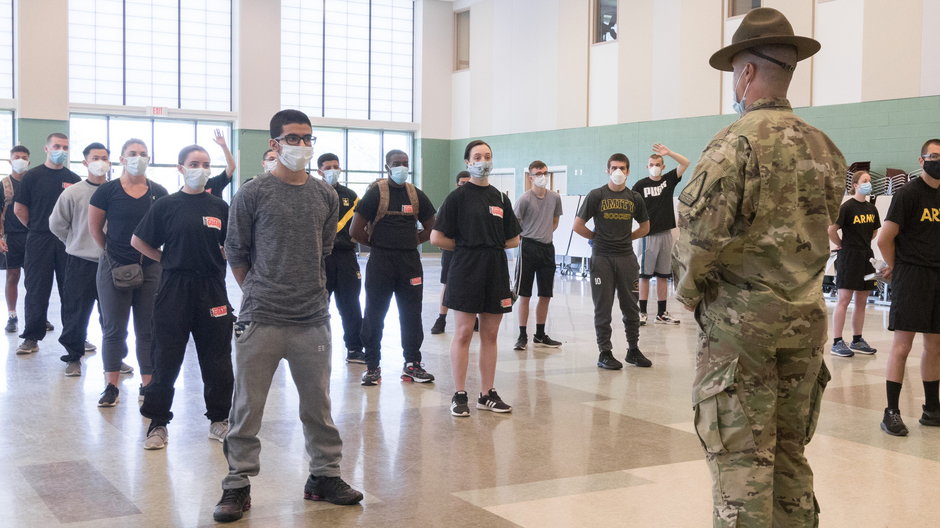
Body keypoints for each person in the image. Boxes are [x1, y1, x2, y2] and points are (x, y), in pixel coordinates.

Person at [672, 8, 844, 525]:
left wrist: (692, 295)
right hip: (805, 325)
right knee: (790, 456)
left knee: (743, 466)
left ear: (746, 73)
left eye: (733, 72)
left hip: (739, 335)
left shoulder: (733, 144)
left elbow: (698, 241)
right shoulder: (826, 148)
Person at [213, 110, 362, 523]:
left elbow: (326, 248)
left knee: (319, 405)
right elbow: (237, 252)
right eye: (293, 138)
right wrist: (259, 292)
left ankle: (324, 476)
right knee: (247, 408)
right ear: (274, 143)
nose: (302, 145)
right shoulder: (252, 193)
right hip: (261, 319)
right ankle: (237, 484)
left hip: (312, 318)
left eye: (307, 137)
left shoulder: (325, 196)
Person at [134, 145, 234, 450]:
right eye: (194, 163)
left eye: (205, 164)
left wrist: (221, 256)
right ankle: (158, 423)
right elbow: (138, 240)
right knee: (165, 358)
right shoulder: (166, 205)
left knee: (217, 357)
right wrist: (166, 259)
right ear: (181, 168)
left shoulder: (219, 206)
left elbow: (231, 244)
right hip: (174, 289)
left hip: (212, 288)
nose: (200, 169)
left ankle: (219, 419)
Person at [430, 140, 521, 417]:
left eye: (488, 156)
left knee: (491, 334)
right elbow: (436, 237)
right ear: (468, 162)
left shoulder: (500, 198)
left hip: (495, 268)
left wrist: (489, 246)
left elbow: (514, 237)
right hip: (466, 268)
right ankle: (459, 394)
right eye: (477, 156)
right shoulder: (457, 197)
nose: (483, 160)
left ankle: (487, 394)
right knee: (463, 332)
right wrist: (469, 247)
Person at [89, 138, 169, 407]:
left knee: (148, 329)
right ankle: (111, 385)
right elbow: (96, 230)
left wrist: (154, 258)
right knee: (114, 329)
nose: (138, 158)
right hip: (114, 267)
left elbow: (165, 231)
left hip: (150, 270)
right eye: (132, 154)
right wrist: (114, 257)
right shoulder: (107, 192)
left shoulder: (159, 192)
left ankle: (148, 385)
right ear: (122, 159)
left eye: (143, 154)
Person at [350, 150, 436, 386]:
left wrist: (412, 241)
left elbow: (432, 226)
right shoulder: (375, 194)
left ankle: (412, 364)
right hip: (381, 262)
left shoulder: (415, 195)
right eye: (397, 164)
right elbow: (355, 231)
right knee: (375, 313)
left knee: (411, 313)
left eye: (405, 163)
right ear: (387, 166)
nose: (402, 167)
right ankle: (372, 366)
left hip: (410, 263)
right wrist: (379, 244)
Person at [877, 138, 940, 436]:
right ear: (921, 160)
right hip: (911, 276)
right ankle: (891, 412)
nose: (938, 161)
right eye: (934, 156)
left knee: (935, 345)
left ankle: (931, 408)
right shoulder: (908, 194)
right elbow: (884, 238)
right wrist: (895, 267)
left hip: (937, 277)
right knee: (903, 346)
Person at [573, 153, 651, 370]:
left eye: (623, 168)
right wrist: (596, 238)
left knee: (631, 306)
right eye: (614, 167)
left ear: (628, 171)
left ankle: (633, 350)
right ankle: (605, 352)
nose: (618, 172)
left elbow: (645, 227)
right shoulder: (596, 195)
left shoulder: (634, 197)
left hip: (626, 257)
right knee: (603, 307)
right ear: (607, 170)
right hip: (602, 258)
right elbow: (578, 225)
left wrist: (628, 238)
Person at [13, 133, 80, 354]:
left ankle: (74, 338)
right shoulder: (32, 176)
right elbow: (19, 209)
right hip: (39, 237)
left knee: (70, 290)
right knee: (36, 289)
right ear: (46, 148)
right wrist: (38, 227)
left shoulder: (74, 178)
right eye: (57, 146)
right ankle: (32, 336)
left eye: (65, 147)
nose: (61, 150)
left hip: (66, 241)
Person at [48, 142, 109, 376]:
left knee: (112, 316)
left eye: (104, 157)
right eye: (95, 158)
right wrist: (74, 243)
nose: (100, 162)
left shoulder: (116, 191)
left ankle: (114, 360)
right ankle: (73, 357)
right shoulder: (73, 192)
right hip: (80, 262)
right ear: (85, 163)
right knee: (76, 312)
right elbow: (56, 224)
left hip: (109, 263)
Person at [631, 144, 689, 325]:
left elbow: (685, 163)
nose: (655, 166)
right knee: (645, 276)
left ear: (663, 166)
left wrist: (669, 152)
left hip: (666, 233)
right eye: (651, 164)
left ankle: (662, 313)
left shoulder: (668, 180)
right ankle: (642, 312)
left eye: (658, 163)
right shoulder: (640, 185)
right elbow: (632, 206)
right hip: (648, 235)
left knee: (663, 275)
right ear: (647, 166)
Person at [318, 153, 365, 364]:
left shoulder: (351, 196)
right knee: (318, 306)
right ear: (319, 171)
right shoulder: (312, 193)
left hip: (346, 258)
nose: (333, 170)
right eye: (328, 167)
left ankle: (354, 348)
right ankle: (317, 347)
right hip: (321, 259)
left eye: (336, 166)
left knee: (351, 305)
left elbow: (360, 226)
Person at [828, 170, 880, 358]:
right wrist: (841, 244)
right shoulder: (847, 207)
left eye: (870, 180)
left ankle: (857, 339)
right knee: (844, 299)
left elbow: (874, 232)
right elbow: (832, 229)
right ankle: (837, 341)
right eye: (865, 180)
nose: (869, 183)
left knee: (862, 300)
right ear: (856, 184)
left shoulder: (872, 208)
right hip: (849, 256)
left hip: (866, 256)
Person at [512, 160, 563, 351]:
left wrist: (544, 233)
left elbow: (555, 220)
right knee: (524, 294)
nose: (542, 176)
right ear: (530, 176)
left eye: (545, 172)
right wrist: (528, 236)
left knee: (545, 294)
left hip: (547, 248)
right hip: (528, 248)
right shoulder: (524, 199)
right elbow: (515, 223)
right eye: (538, 173)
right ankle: (522, 334)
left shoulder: (554, 198)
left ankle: (540, 334)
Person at [430, 171, 471, 335]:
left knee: (472, 284)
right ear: (457, 184)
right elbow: (439, 232)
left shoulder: (478, 203)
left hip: (471, 253)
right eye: (462, 183)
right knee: (448, 284)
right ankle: (441, 318)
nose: (465, 186)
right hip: (452, 250)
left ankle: (473, 318)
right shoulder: (451, 202)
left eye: (468, 182)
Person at [1, 145, 31, 334]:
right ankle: (12, 315)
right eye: (16, 157)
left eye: (24, 157)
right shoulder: (4, 185)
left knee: (35, 280)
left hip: (33, 237)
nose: (20, 160)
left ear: (29, 160)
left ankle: (37, 317)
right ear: (10, 160)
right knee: (13, 276)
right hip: (12, 237)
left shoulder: (34, 181)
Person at [204, 128, 237, 198]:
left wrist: (224, 146)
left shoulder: (214, 183)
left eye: (206, 165)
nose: (200, 168)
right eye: (194, 165)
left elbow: (231, 167)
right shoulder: (183, 192)